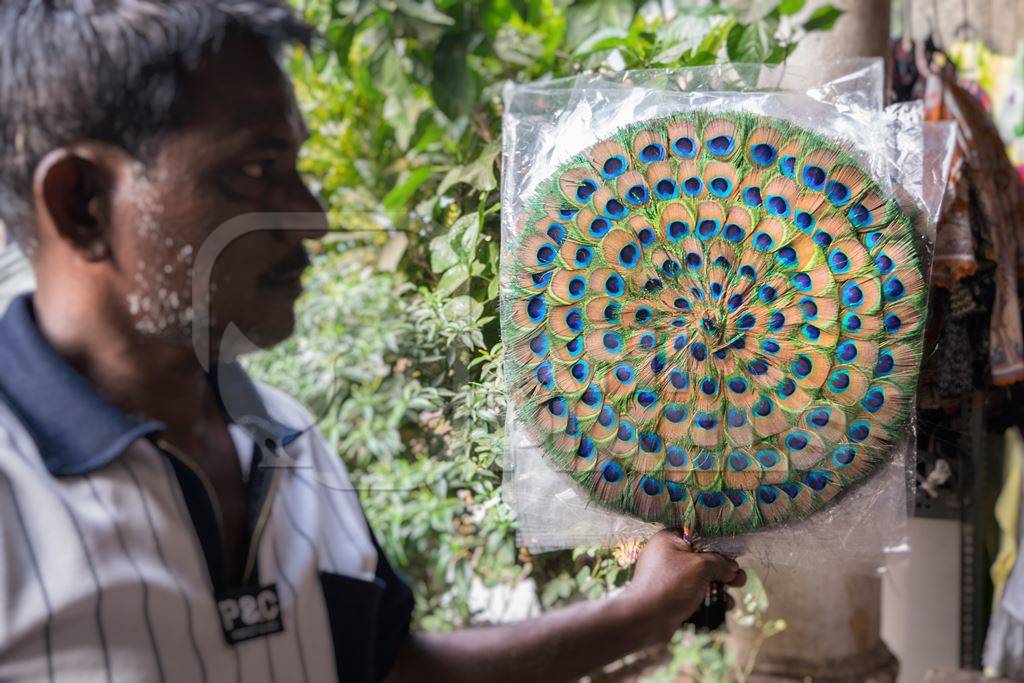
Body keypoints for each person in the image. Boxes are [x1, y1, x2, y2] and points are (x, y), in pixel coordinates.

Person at [0, 2, 744, 681]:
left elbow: (390, 671)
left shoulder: (290, 442)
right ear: (83, 204)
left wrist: (639, 612)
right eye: (255, 171)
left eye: (295, 167)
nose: (312, 219)